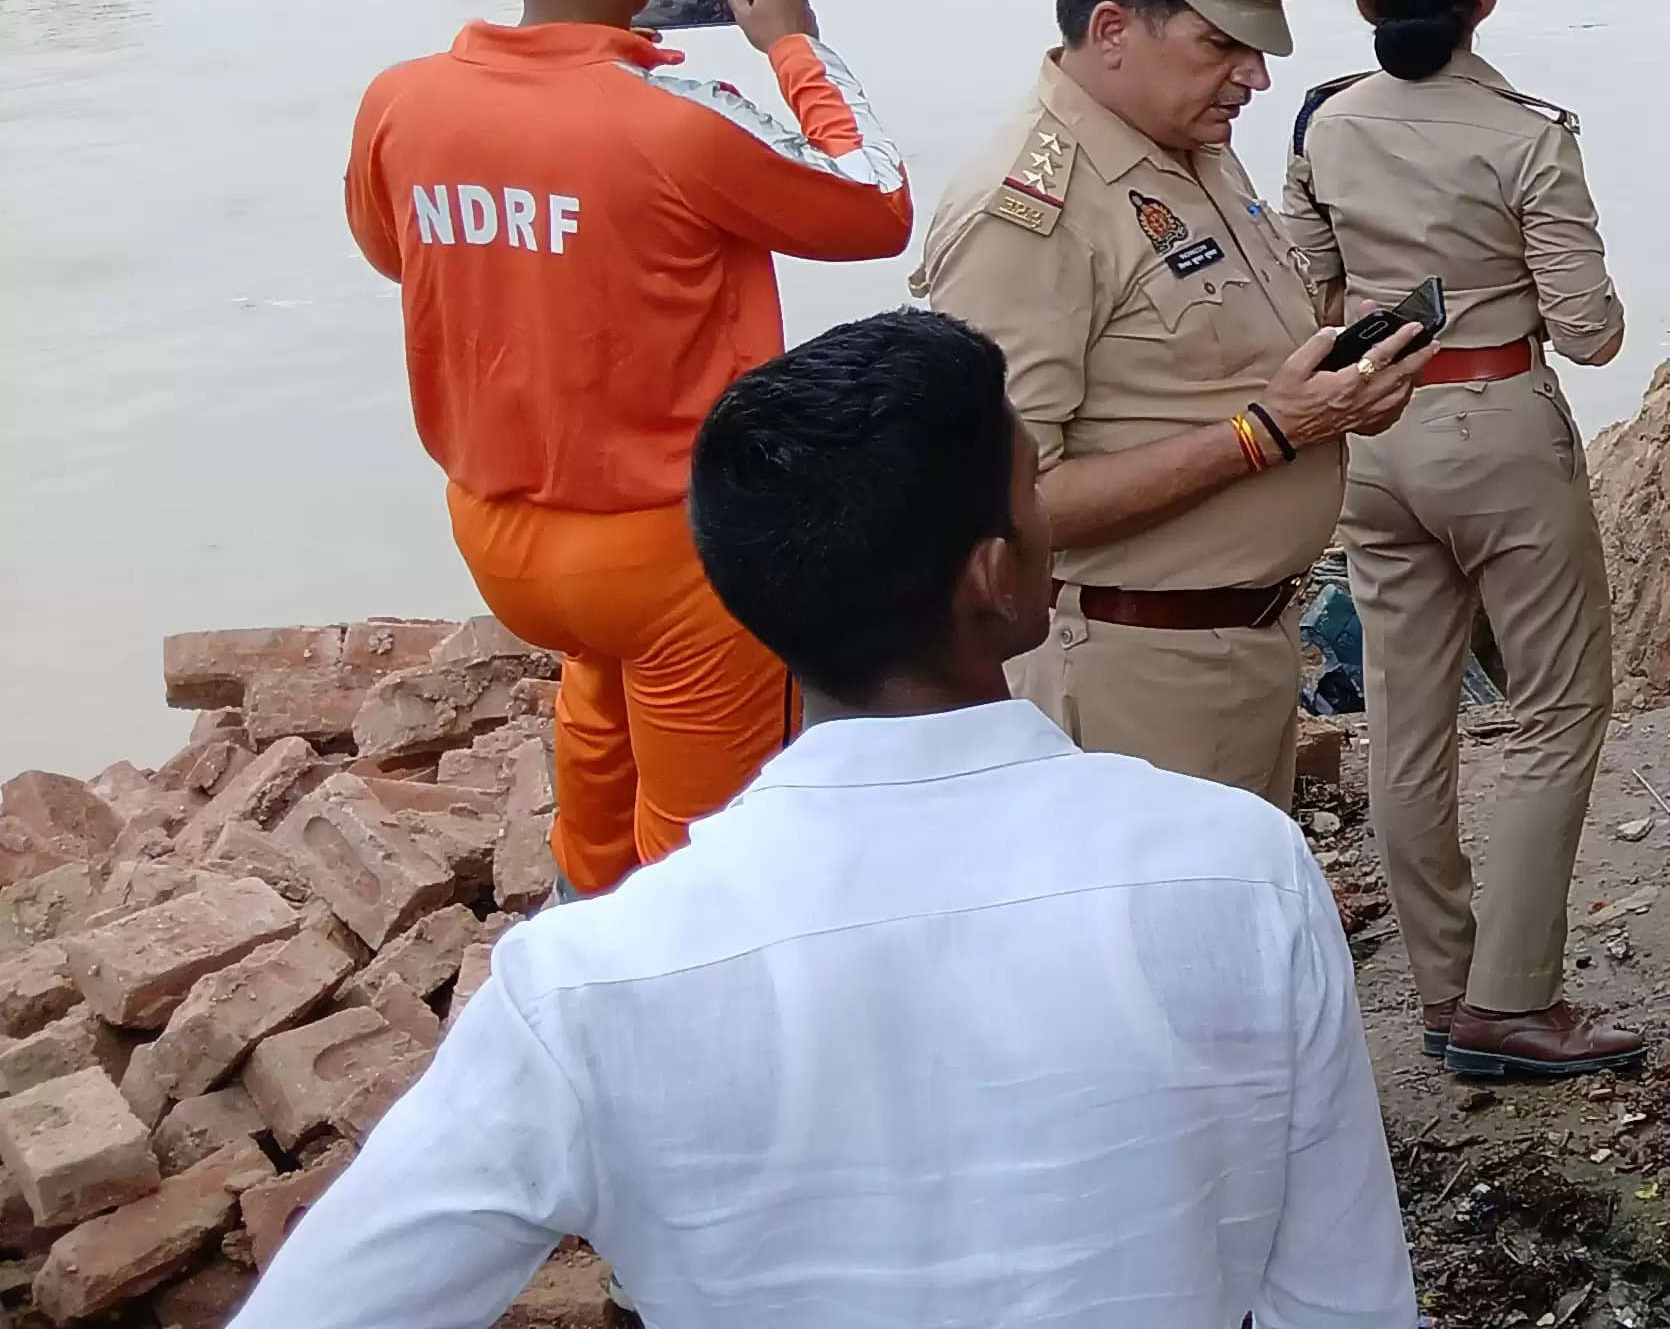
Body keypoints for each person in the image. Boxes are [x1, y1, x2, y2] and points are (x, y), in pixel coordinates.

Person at [237, 310, 1421, 1328]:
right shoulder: (1237, 871)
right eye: (1031, 493)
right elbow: (1347, 1298)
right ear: (995, 577)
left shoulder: (589, 983)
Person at [343, 0, 912, 897]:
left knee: (598, 719)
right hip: (669, 550)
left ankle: (578, 933)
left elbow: (395, 255)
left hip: (502, 537)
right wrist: (795, 43)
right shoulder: (681, 116)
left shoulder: (398, 101)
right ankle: (684, 1012)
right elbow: (876, 203)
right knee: (711, 865)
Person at [914, 0, 1430, 806]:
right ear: (1112, 29)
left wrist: (1340, 377)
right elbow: (1003, 503)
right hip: (1132, 670)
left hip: (1245, 646)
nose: (1256, 75)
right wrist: (1271, 433)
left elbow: (1211, 363)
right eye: (1220, 45)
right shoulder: (1030, 212)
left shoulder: (1194, 151)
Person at [1276, 0, 1636, 1081]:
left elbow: (1301, 287)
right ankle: (1514, 1001)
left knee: (1406, 719)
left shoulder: (1323, 120)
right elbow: (1590, 331)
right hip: (1495, 428)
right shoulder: (1529, 138)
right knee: (1555, 705)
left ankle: (1443, 991)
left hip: (1369, 438)